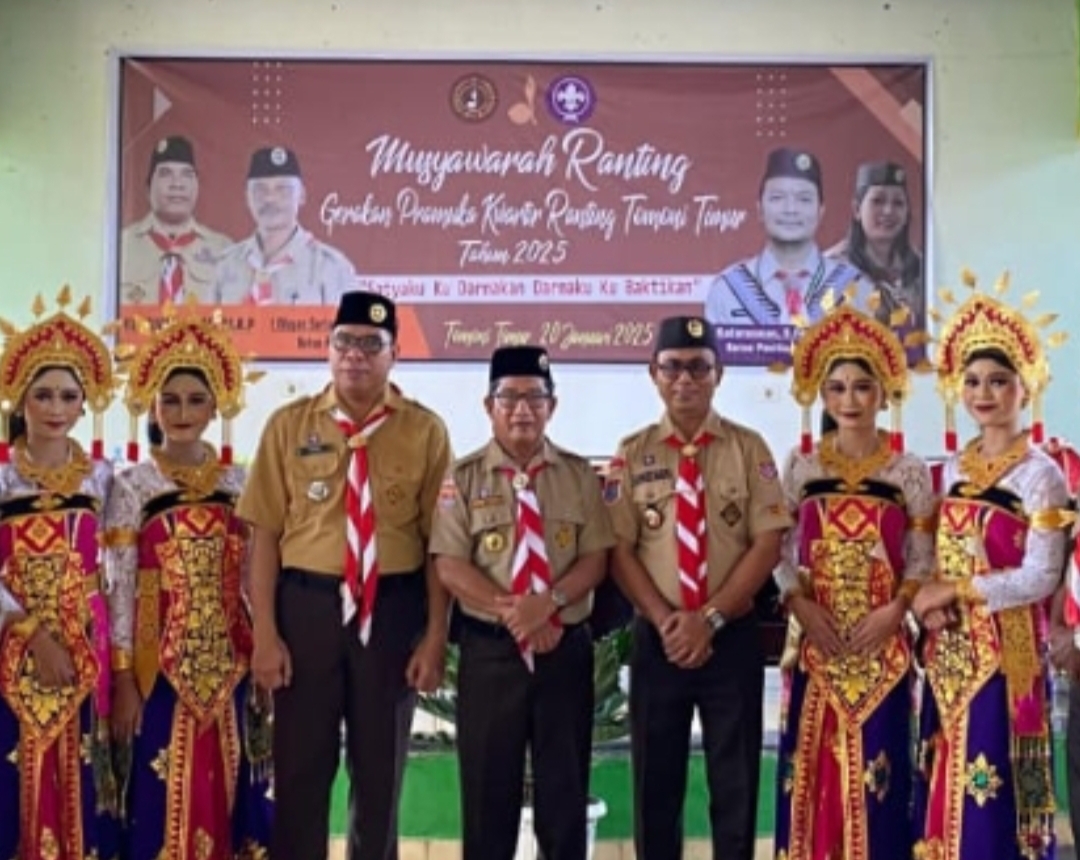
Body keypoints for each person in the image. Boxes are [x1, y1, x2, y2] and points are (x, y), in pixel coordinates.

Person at [238, 290, 452, 860]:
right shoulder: (289, 426)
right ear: (328, 350)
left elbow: (440, 547)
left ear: (394, 354)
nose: (356, 354)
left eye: (371, 344)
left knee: (380, 775)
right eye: (345, 342)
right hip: (306, 611)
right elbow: (264, 537)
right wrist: (264, 635)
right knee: (300, 773)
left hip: (393, 612)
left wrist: (434, 636)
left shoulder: (424, 431)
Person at [606, 315, 792, 860]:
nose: (685, 379)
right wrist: (669, 621)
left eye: (698, 367)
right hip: (658, 640)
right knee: (655, 786)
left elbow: (767, 543)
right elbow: (620, 550)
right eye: (673, 367)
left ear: (719, 373)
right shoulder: (632, 452)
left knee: (735, 786)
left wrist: (708, 619)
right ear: (654, 374)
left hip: (729, 637)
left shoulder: (748, 448)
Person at [430, 345, 615, 860]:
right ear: (488, 406)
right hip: (491, 656)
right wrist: (519, 613)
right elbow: (450, 565)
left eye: (535, 397)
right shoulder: (462, 478)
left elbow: (596, 558)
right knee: (488, 802)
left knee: (564, 797)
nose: (522, 409)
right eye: (509, 397)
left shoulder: (578, 475)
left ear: (552, 406)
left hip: (564, 654)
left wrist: (549, 603)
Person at [911, 275, 1071, 860]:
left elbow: (1040, 576)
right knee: (944, 771)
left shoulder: (1042, 475)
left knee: (994, 782)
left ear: (1025, 387)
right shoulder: (953, 468)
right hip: (950, 648)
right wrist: (929, 607)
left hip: (1009, 651)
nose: (984, 393)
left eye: (998, 381)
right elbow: (934, 557)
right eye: (973, 380)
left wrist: (954, 590)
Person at [104, 308, 271, 859]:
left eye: (196, 400)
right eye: (170, 400)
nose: (182, 413)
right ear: (152, 405)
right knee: (157, 795)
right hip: (157, 667)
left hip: (232, 662)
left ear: (216, 405)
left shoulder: (239, 483)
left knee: (230, 789)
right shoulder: (133, 487)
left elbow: (254, 576)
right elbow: (119, 587)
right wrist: (123, 676)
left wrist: (264, 647)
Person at [772, 305, 935, 860]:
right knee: (811, 777)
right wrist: (799, 604)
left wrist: (896, 612)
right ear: (821, 395)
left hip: (881, 644)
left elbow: (921, 559)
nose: (849, 400)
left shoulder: (908, 470)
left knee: (879, 776)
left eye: (862, 387)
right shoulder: (801, 466)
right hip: (817, 643)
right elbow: (777, 549)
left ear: (884, 394)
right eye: (836, 388)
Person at [0, 289, 119, 860]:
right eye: (42, 394)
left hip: (86, 646)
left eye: (69, 396)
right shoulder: (2, 480)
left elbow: (116, 572)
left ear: (84, 403)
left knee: (83, 775)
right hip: (11, 645)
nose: (55, 407)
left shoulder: (104, 478)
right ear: (19, 399)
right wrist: (32, 634)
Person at [704, 147, 870, 327]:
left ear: (821, 211)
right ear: (760, 209)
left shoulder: (855, 288)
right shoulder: (727, 290)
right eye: (777, 197)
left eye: (804, 199)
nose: (790, 209)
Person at [214, 145, 357, 305]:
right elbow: (205, 320)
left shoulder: (330, 267)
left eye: (282, 190)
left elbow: (351, 321)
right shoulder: (225, 265)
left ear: (301, 195)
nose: (270, 199)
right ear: (247, 197)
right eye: (260, 189)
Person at [827, 160, 925, 358]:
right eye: (878, 201)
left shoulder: (921, 269)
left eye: (898, 203)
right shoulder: (831, 269)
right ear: (857, 209)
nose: (888, 211)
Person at [120, 134, 233, 305]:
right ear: (148, 187)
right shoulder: (121, 247)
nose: (177, 184)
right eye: (166, 174)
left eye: (187, 175)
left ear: (197, 186)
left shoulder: (224, 251)